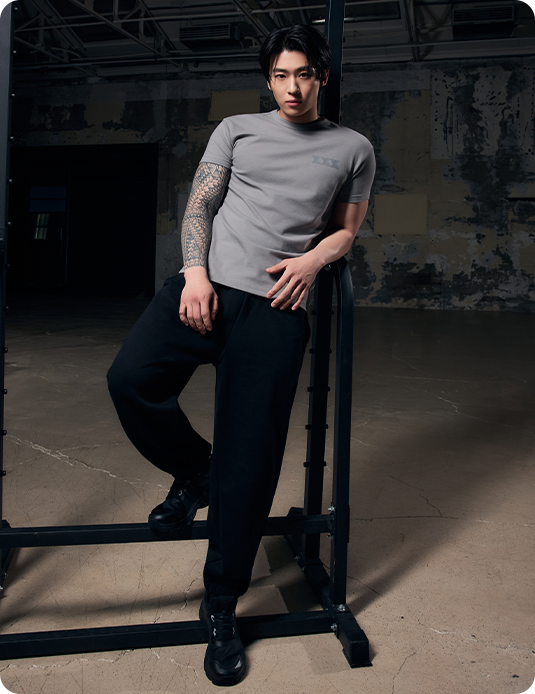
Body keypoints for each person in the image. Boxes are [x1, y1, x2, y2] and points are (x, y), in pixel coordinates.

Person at [107, 23, 375, 687]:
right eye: (280, 76)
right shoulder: (236, 130)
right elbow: (201, 207)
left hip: (276, 310)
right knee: (131, 379)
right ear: (268, 80)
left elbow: (346, 232)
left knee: (250, 460)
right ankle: (196, 471)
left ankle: (223, 605)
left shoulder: (352, 148)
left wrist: (312, 261)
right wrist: (194, 275)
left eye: (303, 74)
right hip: (203, 290)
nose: (292, 87)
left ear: (321, 76)